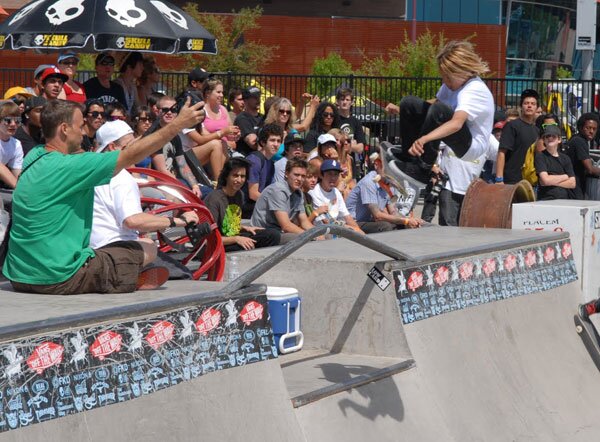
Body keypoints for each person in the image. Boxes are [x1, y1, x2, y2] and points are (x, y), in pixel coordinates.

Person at [2, 98, 204, 295]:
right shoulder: (73, 167)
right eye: (80, 126)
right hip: (57, 278)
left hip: (18, 275)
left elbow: (129, 149)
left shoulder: (35, 156)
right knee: (147, 248)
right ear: (64, 129)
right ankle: (127, 276)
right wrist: (177, 125)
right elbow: (131, 155)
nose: (83, 132)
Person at [387, 40, 494, 184]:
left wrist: (425, 139)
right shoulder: (452, 84)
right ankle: (409, 158)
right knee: (409, 103)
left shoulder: (474, 90)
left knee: (440, 111)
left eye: (448, 77)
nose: (445, 81)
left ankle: (422, 169)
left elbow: (456, 124)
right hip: (457, 130)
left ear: (460, 71)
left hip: (471, 146)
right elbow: (433, 104)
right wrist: (403, 110)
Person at [90, 120, 199, 250]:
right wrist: (179, 221)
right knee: (154, 251)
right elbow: (132, 221)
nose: (136, 149)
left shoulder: (93, 172)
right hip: (116, 249)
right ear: (113, 147)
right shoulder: (120, 177)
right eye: (131, 145)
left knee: (150, 245)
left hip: (95, 246)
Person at [204, 158, 280, 252]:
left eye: (243, 176)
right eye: (235, 175)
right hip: (215, 244)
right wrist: (236, 239)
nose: (239, 180)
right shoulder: (214, 199)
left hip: (231, 238)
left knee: (273, 235)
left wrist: (245, 228)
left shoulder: (239, 195)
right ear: (227, 176)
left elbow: (229, 227)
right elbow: (208, 238)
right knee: (247, 245)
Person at [346, 153, 424, 233]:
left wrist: (409, 220)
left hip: (369, 221)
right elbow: (377, 216)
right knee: (386, 226)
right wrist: (406, 221)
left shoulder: (388, 183)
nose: (390, 171)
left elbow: (393, 212)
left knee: (406, 224)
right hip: (354, 222)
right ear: (376, 165)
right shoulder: (369, 182)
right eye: (386, 167)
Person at [146, 95, 203, 198]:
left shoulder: (175, 137)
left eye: (173, 110)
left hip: (176, 181)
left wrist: (194, 185)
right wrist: (183, 187)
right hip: (162, 184)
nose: (169, 113)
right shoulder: (155, 136)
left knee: (208, 192)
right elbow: (162, 170)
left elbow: (182, 165)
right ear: (157, 111)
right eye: (165, 110)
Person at [180, 78, 238, 180]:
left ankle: (222, 178)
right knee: (216, 144)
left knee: (220, 143)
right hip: (183, 157)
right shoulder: (185, 120)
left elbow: (205, 134)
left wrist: (231, 136)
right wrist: (222, 132)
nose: (200, 105)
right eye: (218, 92)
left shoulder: (197, 117)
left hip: (195, 153)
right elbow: (200, 139)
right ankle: (218, 181)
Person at [251, 158, 314, 244]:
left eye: (303, 176)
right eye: (296, 175)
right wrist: (310, 236)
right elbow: (286, 226)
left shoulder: (298, 193)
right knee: (297, 239)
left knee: (326, 236)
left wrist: (317, 234)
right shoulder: (278, 190)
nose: (299, 179)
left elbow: (304, 221)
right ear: (287, 174)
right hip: (264, 234)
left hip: (279, 232)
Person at [495, 89, 540, 184]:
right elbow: (502, 152)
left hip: (530, 181)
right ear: (521, 106)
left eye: (533, 104)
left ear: (537, 108)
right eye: (526, 103)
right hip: (511, 180)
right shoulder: (512, 125)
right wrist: (499, 179)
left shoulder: (537, 130)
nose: (529, 106)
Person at [309, 159, 364, 233]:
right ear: (321, 175)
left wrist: (359, 231)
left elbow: (347, 217)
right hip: (322, 231)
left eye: (336, 174)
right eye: (330, 174)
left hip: (336, 227)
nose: (333, 178)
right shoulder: (314, 192)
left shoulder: (336, 192)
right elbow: (325, 221)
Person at [242, 124, 282, 217]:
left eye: (278, 141)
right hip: (245, 209)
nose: (276, 144)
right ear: (263, 142)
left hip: (258, 206)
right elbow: (253, 194)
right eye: (272, 140)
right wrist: (276, 205)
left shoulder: (271, 163)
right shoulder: (255, 160)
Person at [564, 113, 600, 199]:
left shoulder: (576, 139)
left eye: (594, 129)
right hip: (574, 186)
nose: (591, 131)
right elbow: (590, 169)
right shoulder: (579, 141)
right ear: (580, 127)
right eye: (588, 128)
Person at [534, 124, 575, 200]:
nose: (550, 138)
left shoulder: (566, 158)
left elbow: (572, 183)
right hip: (546, 200)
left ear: (559, 139)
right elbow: (545, 180)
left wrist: (551, 180)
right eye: (547, 136)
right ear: (544, 140)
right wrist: (565, 176)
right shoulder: (540, 156)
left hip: (564, 200)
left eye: (553, 136)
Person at [0, 101, 24, 189]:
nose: (13, 124)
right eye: (8, 120)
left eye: (17, 120)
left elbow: (17, 172)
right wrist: (20, 190)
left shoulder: (16, 144)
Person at [336, 87, 366, 155]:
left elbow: (360, 148)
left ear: (352, 102)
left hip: (350, 161)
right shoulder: (333, 119)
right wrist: (352, 144)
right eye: (342, 99)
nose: (344, 102)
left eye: (347, 100)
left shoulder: (356, 122)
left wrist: (344, 145)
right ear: (337, 101)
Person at [234, 86, 263, 156]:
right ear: (245, 100)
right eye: (255, 98)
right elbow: (253, 143)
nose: (258, 100)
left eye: (259, 97)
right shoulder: (242, 119)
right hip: (249, 158)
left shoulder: (263, 118)